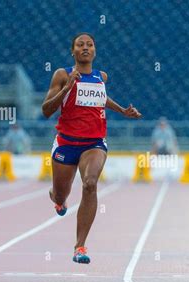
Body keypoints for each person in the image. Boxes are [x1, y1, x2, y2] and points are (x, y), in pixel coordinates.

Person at [41, 33, 141, 264]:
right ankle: (56, 197)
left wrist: (122, 110)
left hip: (94, 142)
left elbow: (101, 98)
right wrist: (66, 88)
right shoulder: (62, 74)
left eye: (90, 45)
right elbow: (46, 110)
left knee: (90, 183)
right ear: (73, 51)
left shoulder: (101, 77)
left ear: (94, 51)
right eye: (80, 45)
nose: (85, 48)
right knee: (60, 193)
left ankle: (80, 246)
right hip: (66, 142)